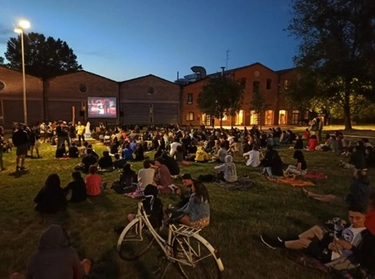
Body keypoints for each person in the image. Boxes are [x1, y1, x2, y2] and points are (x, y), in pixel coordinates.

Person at [260, 205, 367, 264]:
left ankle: (276, 244)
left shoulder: (365, 234)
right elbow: (342, 234)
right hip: (334, 244)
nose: (354, 221)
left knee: (305, 242)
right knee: (316, 229)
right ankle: (289, 240)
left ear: (365, 218)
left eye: (358, 218)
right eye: (351, 217)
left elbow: (363, 256)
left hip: (336, 256)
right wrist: (340, 228)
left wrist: (349, 247)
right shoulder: (351, 225)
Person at [10, 224, 92, 279]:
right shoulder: (70, 252)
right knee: (86, 262)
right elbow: (79, 276)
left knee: (15, 276)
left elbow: (28, 277)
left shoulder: (34, 257)